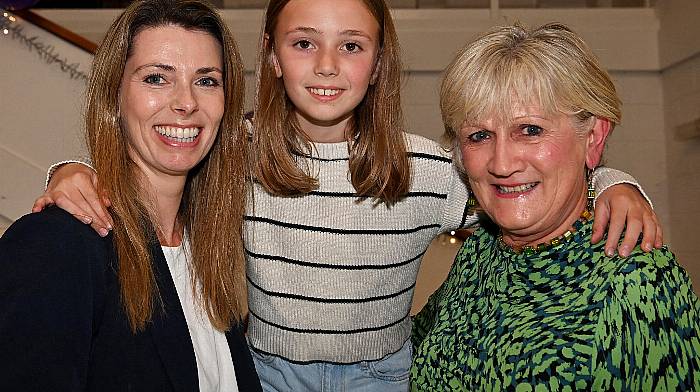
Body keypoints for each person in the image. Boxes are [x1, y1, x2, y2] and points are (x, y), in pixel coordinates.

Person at [34, 1, 661, 390]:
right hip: (267, 374)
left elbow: (516, 191)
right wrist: (68, 170)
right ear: (274, 59)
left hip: (383, 377)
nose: (328, 66)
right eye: (304, 43)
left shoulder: (425, 168)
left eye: (352, 46)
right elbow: (157, 152)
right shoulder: (232, 150)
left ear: (378, 62)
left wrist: (614, 182)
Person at [410, 22, 700, 390]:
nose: (501, 163)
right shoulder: (483, 249)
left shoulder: (635, 282)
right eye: (479, 136)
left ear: (593, 137)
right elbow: (415, 346)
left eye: (530, 130)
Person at [0, 0, 262, 390]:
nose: (186, 102)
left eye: (206, 80)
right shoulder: (57, 244)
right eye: (156, 78)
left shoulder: (207, 246)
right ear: (114, 96)